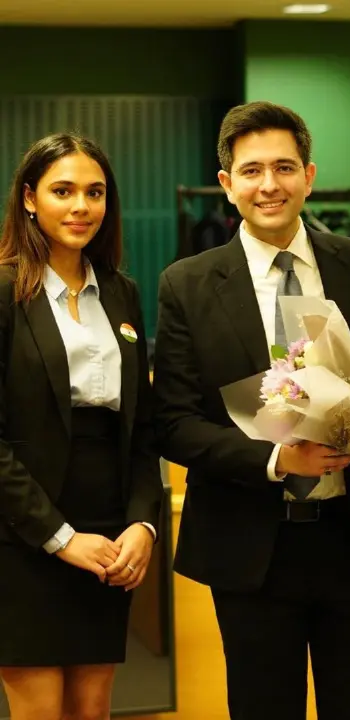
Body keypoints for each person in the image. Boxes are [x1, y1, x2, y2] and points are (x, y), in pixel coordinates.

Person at [152, 102, 350, 720]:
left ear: (309, 175)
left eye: (284, 167)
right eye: (252, 171)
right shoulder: (188, 283)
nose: (270, 184)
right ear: (228, 185)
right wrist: (280, 458)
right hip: (251, 544)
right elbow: (172, 423)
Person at [0, 133, 163, 720]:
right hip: (24, 531)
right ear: (28, 199)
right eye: (62, 191)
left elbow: (142, 429)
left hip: (108, 530)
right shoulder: (3, 291)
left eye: (94, 192)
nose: (81, 207)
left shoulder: (122, 294)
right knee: (41, 710)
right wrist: (60, 537)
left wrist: (144, 523)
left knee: (92, 709)